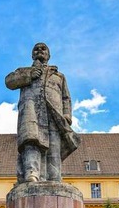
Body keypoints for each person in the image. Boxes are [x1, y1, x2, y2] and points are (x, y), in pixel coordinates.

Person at [5, 43, 79, 183]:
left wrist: (67, 115)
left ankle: (54, 177)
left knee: (54, 146)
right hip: (31, 111)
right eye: (36, 49)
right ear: (32, 55)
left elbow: (66, 97)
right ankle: (32, 174)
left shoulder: (59, 76)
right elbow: (9, 82)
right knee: (31, 141)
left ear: (48, 55)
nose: (40, 50)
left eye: (43, 49)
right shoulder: (23, 71)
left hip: (54, 114)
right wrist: (28, 75)